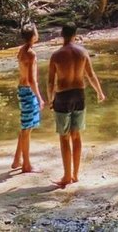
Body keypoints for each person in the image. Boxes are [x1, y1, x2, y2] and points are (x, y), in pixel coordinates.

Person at [47, 23, 106, 188]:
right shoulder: (82, 52)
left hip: (63, 96)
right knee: (76, 135)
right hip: (79, 95)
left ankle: (67, 176)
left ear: (62, 35)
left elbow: (51, 82)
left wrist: (50, 99)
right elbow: (91, 75)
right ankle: (75, 174)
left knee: (64, 137)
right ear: (75, 34)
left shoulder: (56, 55)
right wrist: (99, 92)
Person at [12, 24, 43, 175]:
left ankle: (17, 159)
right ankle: (27, 165)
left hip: (21, 89)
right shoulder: (31, 54)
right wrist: (39, 97)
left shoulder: (21, 50)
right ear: (33, 36)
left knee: (25, 125)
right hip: (28, 91)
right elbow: (32, 80)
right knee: (27, 129)